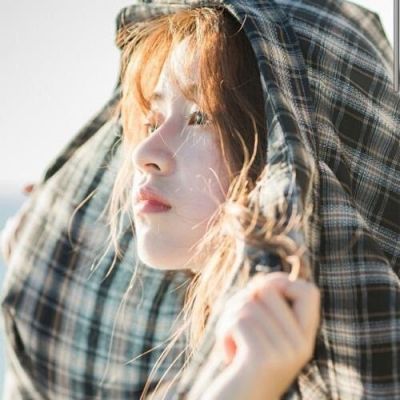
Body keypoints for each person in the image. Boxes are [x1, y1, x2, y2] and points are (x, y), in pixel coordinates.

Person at [1, 1, 399, 399]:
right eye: (152, 121)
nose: (143, 154)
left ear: (290, 158)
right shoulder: (160, 363)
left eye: (200, 117)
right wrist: (40, 254)